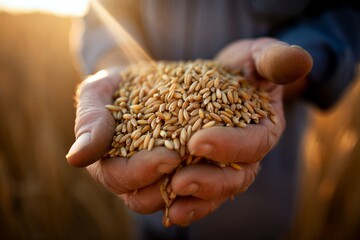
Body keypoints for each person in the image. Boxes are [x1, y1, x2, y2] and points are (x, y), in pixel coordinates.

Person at [66, 0, 360, 239]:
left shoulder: (238, 96)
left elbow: (346, 16)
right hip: (150, 219)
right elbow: (103, 13)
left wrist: (281, 74)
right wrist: (117, 64)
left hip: (256, 217)